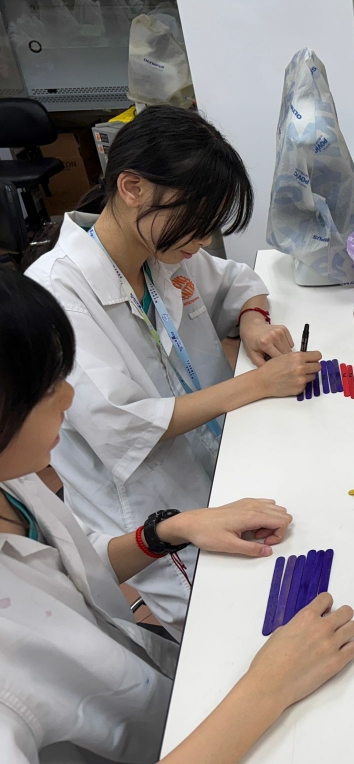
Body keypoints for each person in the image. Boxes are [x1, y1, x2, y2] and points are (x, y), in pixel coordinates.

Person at [0, 268, 354, 763]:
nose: (69, 398)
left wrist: (169, 530)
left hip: (160, 695)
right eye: (45, 389)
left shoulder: (13, 479)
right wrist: (267, 688)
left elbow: (65, 568)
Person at [26, 106, 323, 637]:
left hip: (219, 464)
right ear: (132, 187)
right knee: (223, 629)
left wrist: (253, 322)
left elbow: (237, 282)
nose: (202, 241)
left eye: (211, 227)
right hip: (151, 508)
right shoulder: (59, 295)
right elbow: (125, 424)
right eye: (196, 222)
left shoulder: (160, 251)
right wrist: (256, 384)